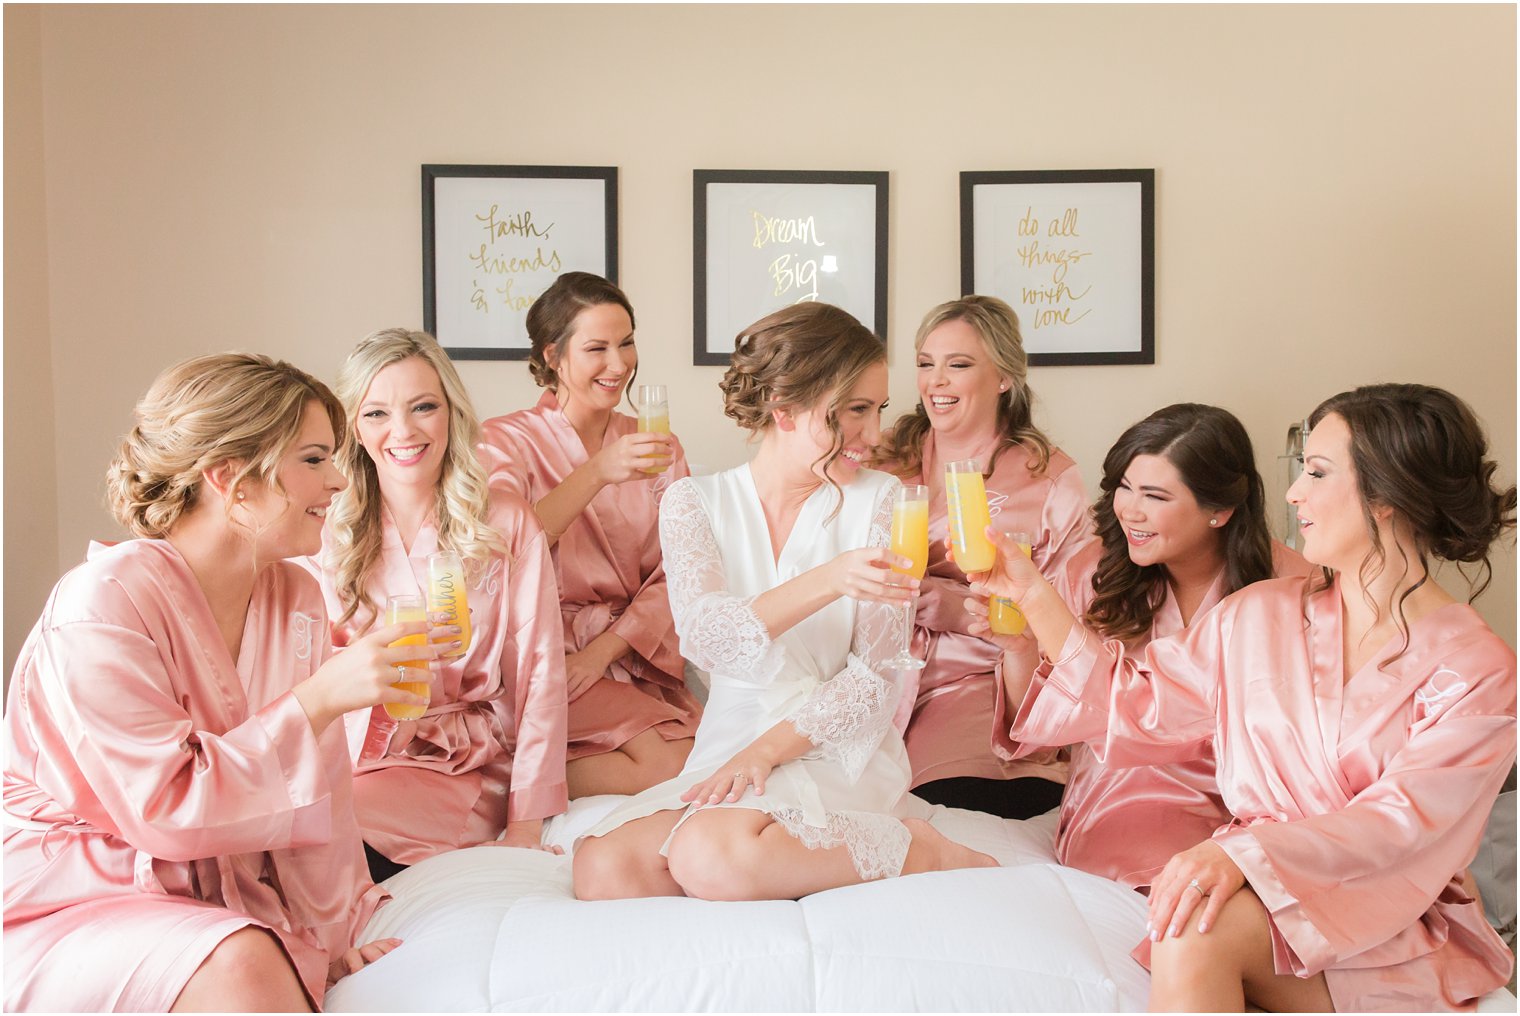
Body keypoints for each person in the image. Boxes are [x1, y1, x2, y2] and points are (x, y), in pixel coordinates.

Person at [979, 383, 1515, 1011]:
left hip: (1387, 914)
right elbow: (1136, 704)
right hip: (1266, 895)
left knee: (1195, 927)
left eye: (1316, 472)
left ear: (1387, 494)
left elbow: (1401, 827)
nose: (1292, 492)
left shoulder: (1478, 669)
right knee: (1191, 927)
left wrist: (1240, 853)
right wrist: (1033, 594)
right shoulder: (1257, 613)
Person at [3, 353, 426, 1011]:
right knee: (244, 964)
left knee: (261, 955)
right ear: (231, 478)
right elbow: (165, 812)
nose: (341, 480)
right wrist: (316, 700)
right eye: (314, 459)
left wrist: (334, 932)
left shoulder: (295, 595)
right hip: (73, 897)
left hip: (217, 897)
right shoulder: (100, 605)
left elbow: (320, 796)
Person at [573, 302, 997, 903]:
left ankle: (918, 849)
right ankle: (765, 852)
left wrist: (770, 751)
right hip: (731, 740)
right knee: (602, 868)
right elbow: (704, 638)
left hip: (832, 744)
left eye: (877, 410)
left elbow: (876, 681)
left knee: (709, 854)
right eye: (854, 411)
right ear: (785, 409)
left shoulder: (884, 502)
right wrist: (831, 578)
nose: (874, 436)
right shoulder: (694, 501)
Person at [980, 403, 1310, 890]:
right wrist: (1020, 649)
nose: (1129, 510)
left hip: (1254, 801)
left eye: (1154, 495)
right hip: (1125, 796)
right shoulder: (1091, 572)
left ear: (1219, 510)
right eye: (1124, 487)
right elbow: (1032, 739)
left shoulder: (1294, 583)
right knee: (1175, 891)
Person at [306, 329, 568, 881]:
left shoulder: (503, 520)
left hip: (462, 762)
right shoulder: (329, 527)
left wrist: (525, 821)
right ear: (353, 427)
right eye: (376, 413)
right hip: (357, 750)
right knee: (280, 827)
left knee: (333, 829)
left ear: (452, 413)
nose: (402, 432)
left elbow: (539, 673)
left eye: (423, 407)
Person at [479, 272, 698, 799]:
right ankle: (494, 788)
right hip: (540, 651)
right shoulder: (502, 441)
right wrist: (597, 471)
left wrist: (601, 654)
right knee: (672, 763)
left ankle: (514, 773)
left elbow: (684, 569)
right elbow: (505, 553)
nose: (619, 364)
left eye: (626, 343)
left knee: (702, 754)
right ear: (553, 355)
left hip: (628, 652)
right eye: (597, 347)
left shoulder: (656, 442)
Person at [874, 295, 1092, 818]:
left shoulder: (1048, 478)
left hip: (984, 683)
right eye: (926, 364)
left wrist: (963, 614)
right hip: (877, 674)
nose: (936, 381)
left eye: (959, 365)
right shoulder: (883, 459)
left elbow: (1075, 619)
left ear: (1003, 378)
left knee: (973, 798)